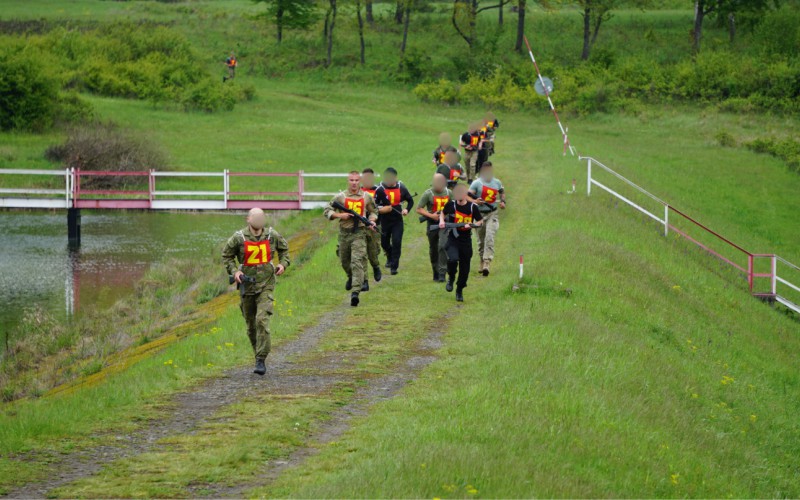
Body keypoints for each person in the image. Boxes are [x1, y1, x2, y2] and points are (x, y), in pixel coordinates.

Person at [222, 208, 290, 375]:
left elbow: (284, 250)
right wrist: (235, 272)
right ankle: (257, 354)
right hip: (247, 286)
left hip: (266, 284)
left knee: (262, 320)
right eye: (256, 217)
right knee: (251, 325)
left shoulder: (272, 235)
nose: (259, 220)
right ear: (248, 219)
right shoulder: (238, 238)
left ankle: (261, 358)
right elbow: (226, 256)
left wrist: (283, 264)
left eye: (262, 216)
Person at [323, 171, 378, 307]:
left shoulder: (366, 197)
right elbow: (327, 210)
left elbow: (373, 211)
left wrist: (372, 221)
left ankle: (355, 292)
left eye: (356, 180)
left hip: (359, 232)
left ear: (360, 181)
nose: (354, 183)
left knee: (357, 261)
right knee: (344, 260)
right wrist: (339, 216)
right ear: (348, 181)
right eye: (351, 180)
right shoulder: (340, 197)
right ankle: (350, 276)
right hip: (344, 234)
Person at [439, 183, 482, 302]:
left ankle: (459, 290)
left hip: (466, 240)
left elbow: (480, 221)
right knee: (452, 260)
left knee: (465, 269)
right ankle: (451, 277)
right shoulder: (451, 205)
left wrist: (472, 225)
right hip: (453, 239)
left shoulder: (473, 207)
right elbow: (443, 213)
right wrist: (441, 222)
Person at [374, 167, 414, 275]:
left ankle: (394, 266)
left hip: (397, 221)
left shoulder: (402, 187)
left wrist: (406, 209)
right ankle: (390, 255)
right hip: (384, 221)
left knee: (397, 242)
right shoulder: (380, 189)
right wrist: (381, 210)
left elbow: (410, 201)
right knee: (384, 243)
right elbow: (374, 206)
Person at [468, 161, 506, 276]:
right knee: (481, 240)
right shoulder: (476, 183)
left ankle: (486, 263)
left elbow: (502, 192)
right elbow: (467, 196)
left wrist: (503, 201)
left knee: (490, 237)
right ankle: (481, 260)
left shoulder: (497, 182)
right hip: (479, 215)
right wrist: (475, 201)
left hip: (492, 214)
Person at [416, 173, 451, 282]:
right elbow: (419, 209)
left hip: (445, 224)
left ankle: (442, 272)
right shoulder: (428, 194)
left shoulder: (449, 193)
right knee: (434, 248)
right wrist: (432, 215)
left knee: (443, 245)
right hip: (432, 225)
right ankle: (435, 271)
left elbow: (455, 206)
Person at [360, 168, 382, 283]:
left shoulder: (379, 190)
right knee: (361, 253)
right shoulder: (357, 192)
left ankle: (376, 266)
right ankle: (364, 281)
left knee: (373, 252)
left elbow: (385, 206)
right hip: (360, 226)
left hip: (374, 225)